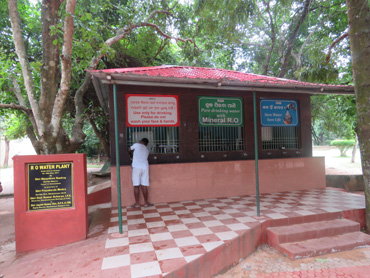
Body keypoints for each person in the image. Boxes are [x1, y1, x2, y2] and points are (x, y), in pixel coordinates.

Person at [128, 138, 153, 208]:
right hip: (145, 168)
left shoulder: (136, 145)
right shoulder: (147, 150)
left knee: (136, 186)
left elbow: (129, 149)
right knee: (144, 186)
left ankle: (137, 204)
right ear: (146, 144)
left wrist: (130, 155)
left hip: (136, 167)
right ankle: (146, 203)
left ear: (140, 141)